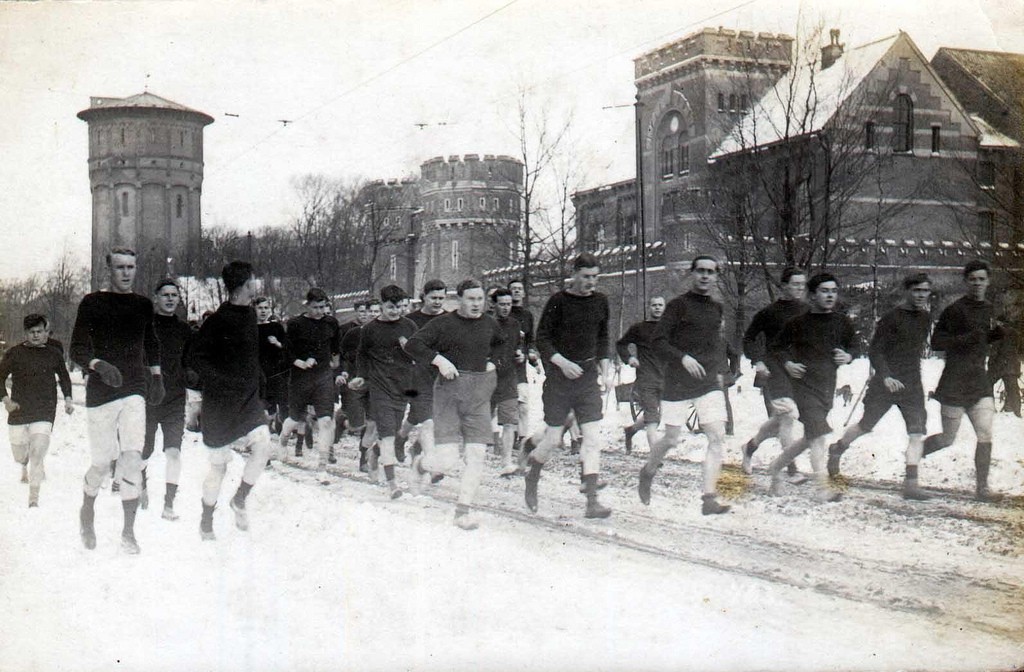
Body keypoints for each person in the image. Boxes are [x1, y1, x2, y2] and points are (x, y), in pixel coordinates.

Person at [71, 247, 163, 554]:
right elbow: (78, 350)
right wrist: (98, 365)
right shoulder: (93, 303)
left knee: (132, 458)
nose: (126, 272)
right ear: (109, 269)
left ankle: (128, 532)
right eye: (120, 267)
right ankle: (87, 510)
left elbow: (151, 342)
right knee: (101, 462)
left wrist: (157, 376)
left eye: (131, 267)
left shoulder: (142, 305)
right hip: (102, 391)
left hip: (134, 388)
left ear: (137, 269)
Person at [404, 278, 506, 530]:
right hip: (448, 395)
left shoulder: (490, 324)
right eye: (470, 299)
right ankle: (421, 464)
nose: (475, 304)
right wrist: (439, 360)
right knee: (447, 461)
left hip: (478, 396)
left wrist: (495, 362)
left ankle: (462, 511)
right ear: (459, 299)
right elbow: (414, 345)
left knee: (477, 454)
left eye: (480, 299)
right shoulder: (444, 323)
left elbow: (503, 347)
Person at [826, 274, 933, 499]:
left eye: (925, 291)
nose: (921, 295)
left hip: (912, 385)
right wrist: (885, 376)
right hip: (884, 385)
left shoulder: (925, 318)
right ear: (907, 291)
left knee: (916, 432)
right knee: (865, 425)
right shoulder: (891, 319)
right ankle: (837, 449)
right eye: (917, 290)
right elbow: (876, 351)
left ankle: (911, 484)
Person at [522, 254, 613, 519]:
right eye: (586, 277)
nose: (591, 282)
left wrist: (606, 371)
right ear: (574, 275)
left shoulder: (601, 301)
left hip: (586, 379)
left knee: (593, 438)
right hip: (560, 380)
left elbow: (603, 337)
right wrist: (562, 363)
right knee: (552, 438)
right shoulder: (558, 302)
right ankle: (533, 476)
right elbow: (543, 339)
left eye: (595, 277)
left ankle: (592, 502)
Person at [191, 261, 275, 540]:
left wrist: (259, 379)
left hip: (248, 401)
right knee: (219, 467)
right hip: (220, 405)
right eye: (254, 280)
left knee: (263, 446)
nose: (257, 284)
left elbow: (249, 356)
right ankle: (206, 520)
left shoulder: (251, 315)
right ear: (244, 285)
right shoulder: (216, 321)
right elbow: (197, 359)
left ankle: (240, 498)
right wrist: (220, 381)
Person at [640, 256, 731, 515]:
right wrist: (683, 357)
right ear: (692, 274)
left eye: (710, 272)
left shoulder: (717, 308)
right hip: (677, 382)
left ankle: (709, 498)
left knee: (717, 435)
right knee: (671, 439)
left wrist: (721, 372)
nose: (705, 276)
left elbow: (715, 343)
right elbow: (658, 341)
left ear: (716, 276)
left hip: (707, 381)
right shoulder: (677, 306)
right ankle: (647, 471)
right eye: (700, 271)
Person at [766, 272, 858, 501]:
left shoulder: (842, 322)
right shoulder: (798, 323)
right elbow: (776, 348)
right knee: (818, 437)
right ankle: (821, 488)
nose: (830, 295)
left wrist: (848, 356)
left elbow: (854, 346)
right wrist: (788, 363)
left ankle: (775, 467)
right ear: (812, 295)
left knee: (810, 437)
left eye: (833, 291)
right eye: (824, 291)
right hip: (803, 386)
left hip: (826, 386)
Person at [922, 260, 1006, 502]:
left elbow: (982, 339)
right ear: (965, 282)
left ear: (988, 281)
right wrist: (969, 338)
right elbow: (937, 343)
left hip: (979, 381)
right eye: (973, 279)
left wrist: (993, 336)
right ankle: (914, 456)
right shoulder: (954, 310)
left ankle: (982, 488)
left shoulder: (990, 308)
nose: (977, 283)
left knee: (985, 434)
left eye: (982, 279)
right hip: (955, 382)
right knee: (948, 439)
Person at [348, 285, 418, 498]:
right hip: (379, 387)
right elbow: (362, 354)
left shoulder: (410, 326)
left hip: (402, 386)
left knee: (393, 432)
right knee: (387, 433)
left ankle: (374, 453)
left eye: (399, 307)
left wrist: (410, 349)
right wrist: (361, 375)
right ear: (381, 306)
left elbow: (419, 354)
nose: (395, 311)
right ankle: (393, 484)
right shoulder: (370, 329)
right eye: (390, 307)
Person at [740, 267, 809, 481]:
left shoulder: (808, 311)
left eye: (802, 284)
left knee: (780, 420)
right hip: (775, 370)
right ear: (784, 286)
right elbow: (749, 338)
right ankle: (792, 468)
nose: (799, 288)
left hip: (798, 372)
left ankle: (750, 447)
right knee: (788, 416)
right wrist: (757, 360)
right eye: (795, 284)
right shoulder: (769, 313)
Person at [0, 314, 73, 507]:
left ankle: (34, 497)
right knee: (20, 453)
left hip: (44, 409)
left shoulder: (53, 353)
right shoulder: (14, 353)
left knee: (38, 450)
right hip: (19, 410)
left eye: (39, 331)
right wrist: (6, 400)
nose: (35, 335)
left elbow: (64, 377)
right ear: (26, 333)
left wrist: (68, 399)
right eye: (31, 332)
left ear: (45, 332)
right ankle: (24, 463)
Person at [142, 279, 192, 519]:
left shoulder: (185, 330)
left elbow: (191, 360)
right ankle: (140, 482)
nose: (170, 299)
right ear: (156, 298)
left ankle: (169, 504)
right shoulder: (146, 327)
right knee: (144, 450)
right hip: (148, 398)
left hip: (175, 399)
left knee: (174, 452)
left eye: (174, 295)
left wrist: (192, 374)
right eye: (165, 295)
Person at [278, 288, 341, 467]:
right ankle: (283, 441)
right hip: (301, 378)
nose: (320, 311)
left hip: (323, 377)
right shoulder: (295, 324)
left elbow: (336, 349)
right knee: (294, 419)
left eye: (323, 307)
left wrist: (335, 364)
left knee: (326, 420)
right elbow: (287, 352)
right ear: (307, 305)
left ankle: (322, 464)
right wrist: (301, 362)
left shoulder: (331, 323)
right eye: (315, 307)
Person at [396, 279, 448, 464]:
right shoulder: (411, 321)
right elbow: (401, 346)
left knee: (419, 415)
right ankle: (430, 463)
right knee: (428, 421)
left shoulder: (449, 319)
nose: (437, 302)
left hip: (441, 377)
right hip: (416, 376)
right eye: (433, 297)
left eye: (441, 298)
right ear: (423, 296)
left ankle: (401, 438)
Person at [616, 295, 666, 454]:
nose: (657, 308)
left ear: (664, 308)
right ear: (649, 308)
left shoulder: (670, 329)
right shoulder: (639, 328)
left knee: (655, 415)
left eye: (660, 305)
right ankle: (655, 456)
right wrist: (629, 358)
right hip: (646, 379)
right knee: (653, 418)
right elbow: (621, 344)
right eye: (654, 305)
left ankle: (630, 430)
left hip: (666, 379)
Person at [490, 288, 523, 476]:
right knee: (481, 419)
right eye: (501, 304)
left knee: (510, 422)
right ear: (494, 305)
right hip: (487, 377)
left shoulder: (515, 324)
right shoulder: (486, 323)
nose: (505, 308)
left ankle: (506, 462)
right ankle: (471, 457)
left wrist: (520, 354)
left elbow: (518, 345)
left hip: (508, 377)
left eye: (509, 304)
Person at [508, 278, 538, 449]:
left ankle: (522, 436)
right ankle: (507, 433)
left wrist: (530, 353)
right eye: (513, 289)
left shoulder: (527, 315)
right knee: (507, 402)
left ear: (524, 293)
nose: (516, 292)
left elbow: (530, 339)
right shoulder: (504, 313)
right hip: (504, 364)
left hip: (520, 365)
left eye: (519, 289)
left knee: (523, 403)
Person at [255, 296, 290, 436]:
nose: (263, 311)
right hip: (258, 369)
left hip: (276, 369)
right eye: (260, 308)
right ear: (254, 309)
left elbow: (288, 348)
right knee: (263, 399)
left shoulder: (276, 327)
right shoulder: (251, 329)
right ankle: (266, 423)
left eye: (266, 308)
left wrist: (277, 343)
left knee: (281, 398)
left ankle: (281, 423)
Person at [989, 313, 1021, 417]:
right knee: (1013, 389)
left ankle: (990, 409)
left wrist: (991, 365)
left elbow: (995, 351)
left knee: (988, 384)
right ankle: (1016, 411)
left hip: (1000, 366)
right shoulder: (1016, 333)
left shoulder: (998, 333)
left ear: (999, 322)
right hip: (1012, 365)